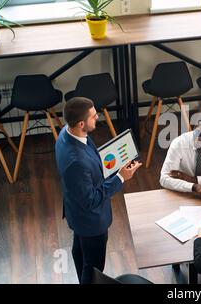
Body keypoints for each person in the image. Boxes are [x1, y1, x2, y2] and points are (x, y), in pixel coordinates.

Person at [55, 97, 141, 284]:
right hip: (90, 221)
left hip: (76, 212)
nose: (98, 118)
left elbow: (91, 158)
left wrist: (115, 159)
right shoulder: (76, 162)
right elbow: (90, 200)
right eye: (94, 116)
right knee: (93, 267)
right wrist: (120, 177)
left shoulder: (66, 134)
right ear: (80, 123)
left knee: (79, 251)